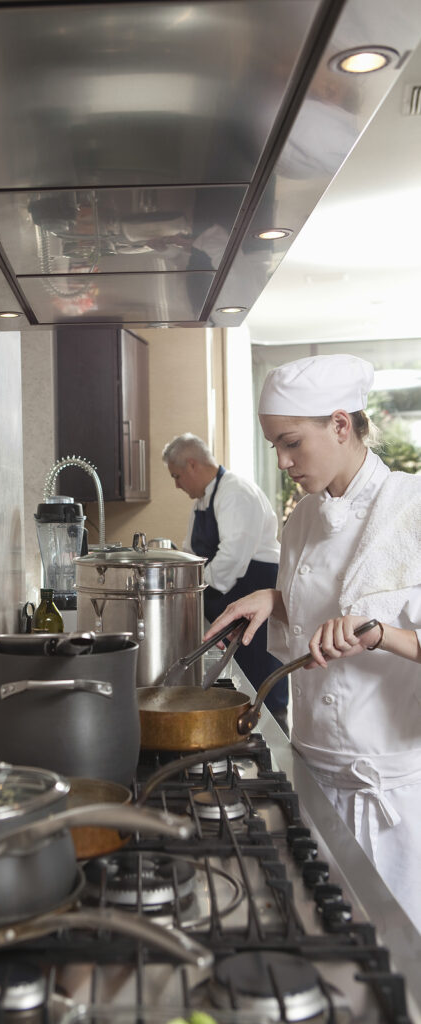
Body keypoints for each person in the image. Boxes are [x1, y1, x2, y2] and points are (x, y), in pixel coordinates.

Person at [204, 353, 421, 931]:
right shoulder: (300, 520)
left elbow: (374, 625)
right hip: (313, 768)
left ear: (341, 424)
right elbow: (318, 609)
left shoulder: (412, 509)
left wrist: (379, 634)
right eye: (274, 444)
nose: (282, 461)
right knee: (329, 940)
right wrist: (273, 599)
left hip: (391, 791)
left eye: (292, 442)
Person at [162, 433, 289, 727]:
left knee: (260, 675)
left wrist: (194, 591)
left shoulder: (235, 492)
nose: (177, 485)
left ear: (192, 464)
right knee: (239, 678)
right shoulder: (202, 500)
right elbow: (191, 552)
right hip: (230, 592)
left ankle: (275, 731)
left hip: (253, 587)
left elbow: (233, 556)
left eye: (177, 476)